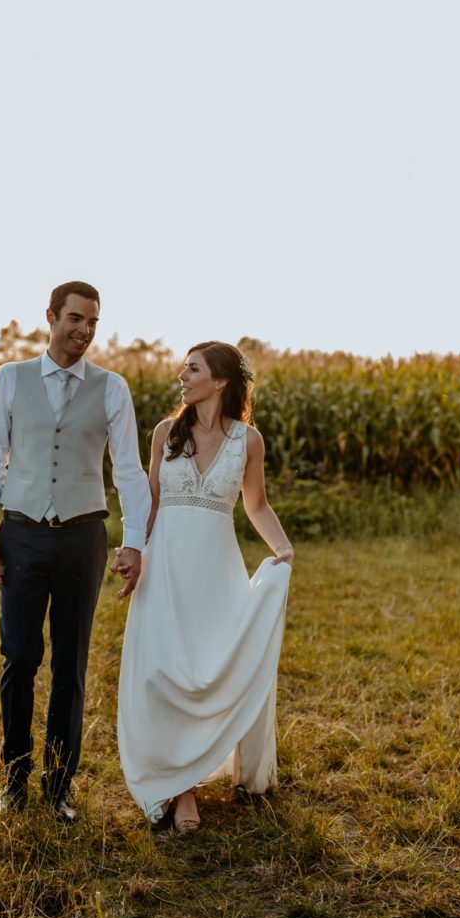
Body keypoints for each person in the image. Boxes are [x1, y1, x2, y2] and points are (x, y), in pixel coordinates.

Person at [0, 280, 151, 820]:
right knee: (20, 657)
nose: (85, 331)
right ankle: (15, 778)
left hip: (82, 537)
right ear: (50, 316)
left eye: (93, 322)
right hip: (21, 533)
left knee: (71, 665)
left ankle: (59, 786)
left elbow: (129, 471)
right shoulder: (11, 378)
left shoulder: (112, 388)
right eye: (76, 319)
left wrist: (134, 541)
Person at [117, 341, 293, 833]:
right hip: (166, 568)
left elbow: (255, 505)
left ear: (219, 381)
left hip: (217, 572)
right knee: (166, 672)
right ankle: (182, 788)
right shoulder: (164, 433)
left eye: (192, 369)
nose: (182, 375)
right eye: (183, 367)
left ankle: (202, 767)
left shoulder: (247, 440)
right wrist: (132, 549)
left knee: (210, 671)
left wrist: (284, 550)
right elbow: (149, 502)